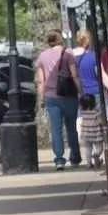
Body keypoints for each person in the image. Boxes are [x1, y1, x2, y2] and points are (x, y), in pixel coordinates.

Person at [36, 31, 82, 170]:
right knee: (71, 127)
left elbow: (40, 80)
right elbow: (74, 75)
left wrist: (41, 98)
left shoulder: (42, 56)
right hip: (68, 95)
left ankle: (59, 159)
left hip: (51, 96)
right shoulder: (68, 53)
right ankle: (74, 156)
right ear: (60, 39)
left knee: (55, 129)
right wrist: (81, 91)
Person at [73, 31, 100, 139]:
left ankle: (81, 137)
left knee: (81, 115)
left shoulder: (71, 57)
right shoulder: (93, 56)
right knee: (96, 117)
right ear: (89, 41)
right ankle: (96, 143)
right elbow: (98, 73)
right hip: (95, 90)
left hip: (79, 90)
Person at [78, 93, 105, 169]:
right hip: (96, 132)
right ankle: (96, 155)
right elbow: (100, 121)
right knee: (99, 147)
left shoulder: (82, 111)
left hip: (85, 133)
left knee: (88, 148)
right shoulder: (96, 111)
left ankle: (89, 163)